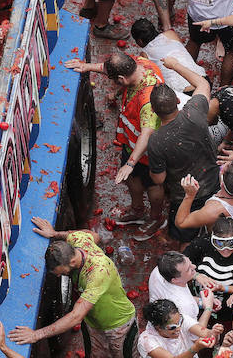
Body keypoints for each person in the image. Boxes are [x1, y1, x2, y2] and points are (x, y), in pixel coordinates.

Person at [64, 53, 164, 240]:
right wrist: (87, 66)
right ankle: (137, 210)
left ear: (122, 79)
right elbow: (109, 67)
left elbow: (147, 133)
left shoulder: (147, 100)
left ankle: (156, 218)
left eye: (115, 81)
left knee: (153, 185)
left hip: (151, 152)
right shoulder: (140, 63)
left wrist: (131, 162)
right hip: (131, 146)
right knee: (132, 178)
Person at [9, 221, 138, 358]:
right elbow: (94, 236)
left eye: (61, 272)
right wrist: (55, 233)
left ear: (71, 262)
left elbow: (76, 317)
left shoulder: (99, 272)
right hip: (93, 322)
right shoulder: (78, 240)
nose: (59, 275)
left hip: (117, 324)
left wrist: (36, 334)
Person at [176, 89, 233, 253]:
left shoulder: (214, 209)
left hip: (223, 248)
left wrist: (189, 195)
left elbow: (182, 222)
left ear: (222, 180)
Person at [183, 217, 233, 323]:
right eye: (220, 243)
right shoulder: (201, 245)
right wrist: (196, 275)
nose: (226, 249)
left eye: (231, 243)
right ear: (213, 238)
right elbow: (179, 264)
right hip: (195, 301)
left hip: (226, 310)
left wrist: (222, 288)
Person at [131, 19, 206, 94]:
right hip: (203, 79)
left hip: (186, 91)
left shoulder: (145, 54)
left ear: (139, 41)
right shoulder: (171, 34)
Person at [137, 298, 224, 358]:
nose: (179, 328)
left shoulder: (179, 319)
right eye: (173, 327)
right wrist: (195, 348)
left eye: (180, 322)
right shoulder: (147, 341)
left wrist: (214, 332)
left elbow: (205, 333)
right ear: (158, 327)